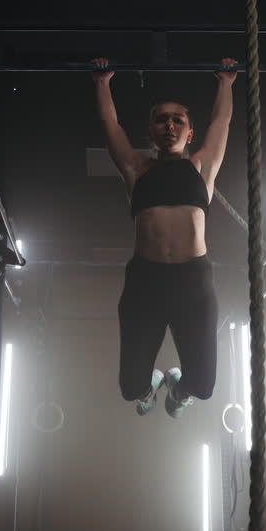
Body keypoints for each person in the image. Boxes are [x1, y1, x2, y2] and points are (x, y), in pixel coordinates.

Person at [91, 56, 236, 418]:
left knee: (203, 387)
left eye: (178, 120)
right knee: (131, 390)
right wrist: (102, 82)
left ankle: (178, 390)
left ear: (190, 133)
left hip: (193, 282)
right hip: (146, 282)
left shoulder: (202, 167)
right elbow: (110, 124)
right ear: (151, 133)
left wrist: (226, 83)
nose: (169, 125)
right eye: (161, 119)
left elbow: (222, 121)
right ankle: (152, 385)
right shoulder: (137, 170)